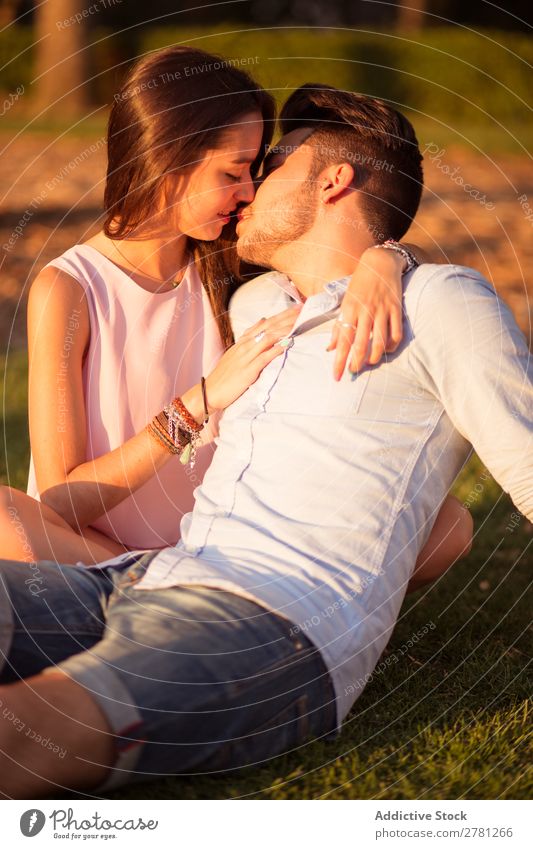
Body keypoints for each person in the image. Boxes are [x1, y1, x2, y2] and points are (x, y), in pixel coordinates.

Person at [4, 83, 529, 800]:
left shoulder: (440, 303)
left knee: (24, 729)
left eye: (271, 164)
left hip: (268, 621)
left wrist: (392, 259)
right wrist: (384, 257)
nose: (248, 189)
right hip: (132, 579)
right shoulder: (254, 303)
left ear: (334, 178)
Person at [0, 47, 418, 565]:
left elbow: (343, 250)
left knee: (445, 525)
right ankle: (142, 591)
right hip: (95, 557)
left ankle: (171, 598)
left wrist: (388, 256)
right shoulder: (70, 288)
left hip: (223, 553)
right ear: (167, 159)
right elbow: (59, 502)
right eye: (233, 171)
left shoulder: (237, 269)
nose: (248, 192)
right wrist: (196, 404)